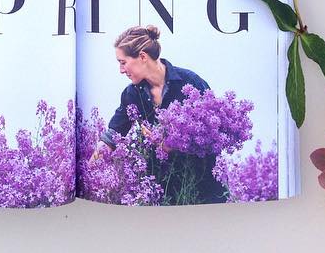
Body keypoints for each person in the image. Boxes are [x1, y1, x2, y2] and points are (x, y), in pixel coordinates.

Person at [95, 25, 227, 205]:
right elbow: (112, 136)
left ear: (142, 57)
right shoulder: (131, 94)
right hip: (162, 193)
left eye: (123, 62)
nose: (121, 70)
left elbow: (216, 136)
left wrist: (173, 145)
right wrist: (89, 168)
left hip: (202, 191)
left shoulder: (190, 83)